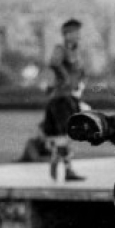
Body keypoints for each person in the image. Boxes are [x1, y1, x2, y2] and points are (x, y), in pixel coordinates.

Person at [41, 18, 89, 181]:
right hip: (61, 98)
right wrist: (66, 77)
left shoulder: (77, 52)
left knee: (68, 134)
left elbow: (81, 72)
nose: (78, 36)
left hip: (72, 97)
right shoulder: (60, 49)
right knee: (65, 133)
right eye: (74, 33)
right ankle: (65, 167)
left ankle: (60, 161)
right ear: (66, 34)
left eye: (78, 33)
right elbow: (54, 63)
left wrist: (79, 84)